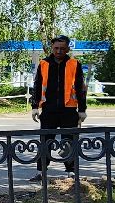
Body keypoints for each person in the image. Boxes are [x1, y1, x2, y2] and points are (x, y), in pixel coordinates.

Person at [30, 35, 88, 176]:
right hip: (48, 109)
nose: (59, 51)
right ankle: (41, 172)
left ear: (68, 48)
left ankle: (71, 171)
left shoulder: (74, 64)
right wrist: (34, 106)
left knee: (69, 141)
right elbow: (37, 86)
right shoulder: (44, 64)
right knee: (45, 140)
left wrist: (82, 110)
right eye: (56, 48)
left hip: (68, 109)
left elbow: (81, 88)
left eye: (62, 48)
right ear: (52, 48)